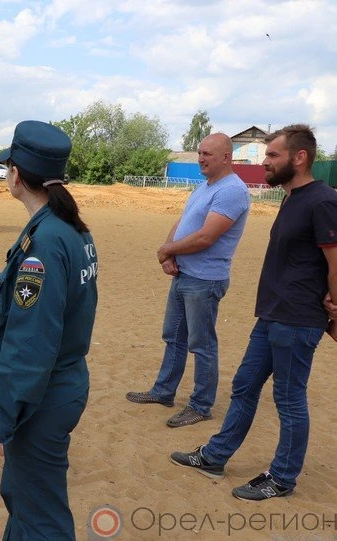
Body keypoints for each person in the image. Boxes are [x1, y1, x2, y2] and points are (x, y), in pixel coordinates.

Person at [171, 124, 337, 501]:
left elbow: (335, 263)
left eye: (273, 155)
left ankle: (282, 477)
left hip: (298, 319)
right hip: (273, 314)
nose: (265, 162)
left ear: (300, 157)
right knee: (245, 385)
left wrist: (334, 311)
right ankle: (215, 456)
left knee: (289, 399)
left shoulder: (323, 201)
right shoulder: (292, 198)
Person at [0, 121, 98, 540]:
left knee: (40, 516)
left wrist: (4, 416)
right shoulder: (70, 228)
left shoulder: (45, 242)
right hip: (59, 385)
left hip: (41, 397)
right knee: (23, 497)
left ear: (15, 174)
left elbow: (32, 341)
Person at [126, 133, 250, 427]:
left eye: (207, 154)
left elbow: (206, 237)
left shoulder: (232, 190)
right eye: (199, 152)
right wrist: (169, 253)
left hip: (205, 280)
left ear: (226, 157)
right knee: (174, 337)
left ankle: (201, 405)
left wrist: (167, 250)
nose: (200, 159)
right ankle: (163, 391)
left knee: (201, 344)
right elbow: (182, 222)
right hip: (185, 274)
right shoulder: (205, 187)